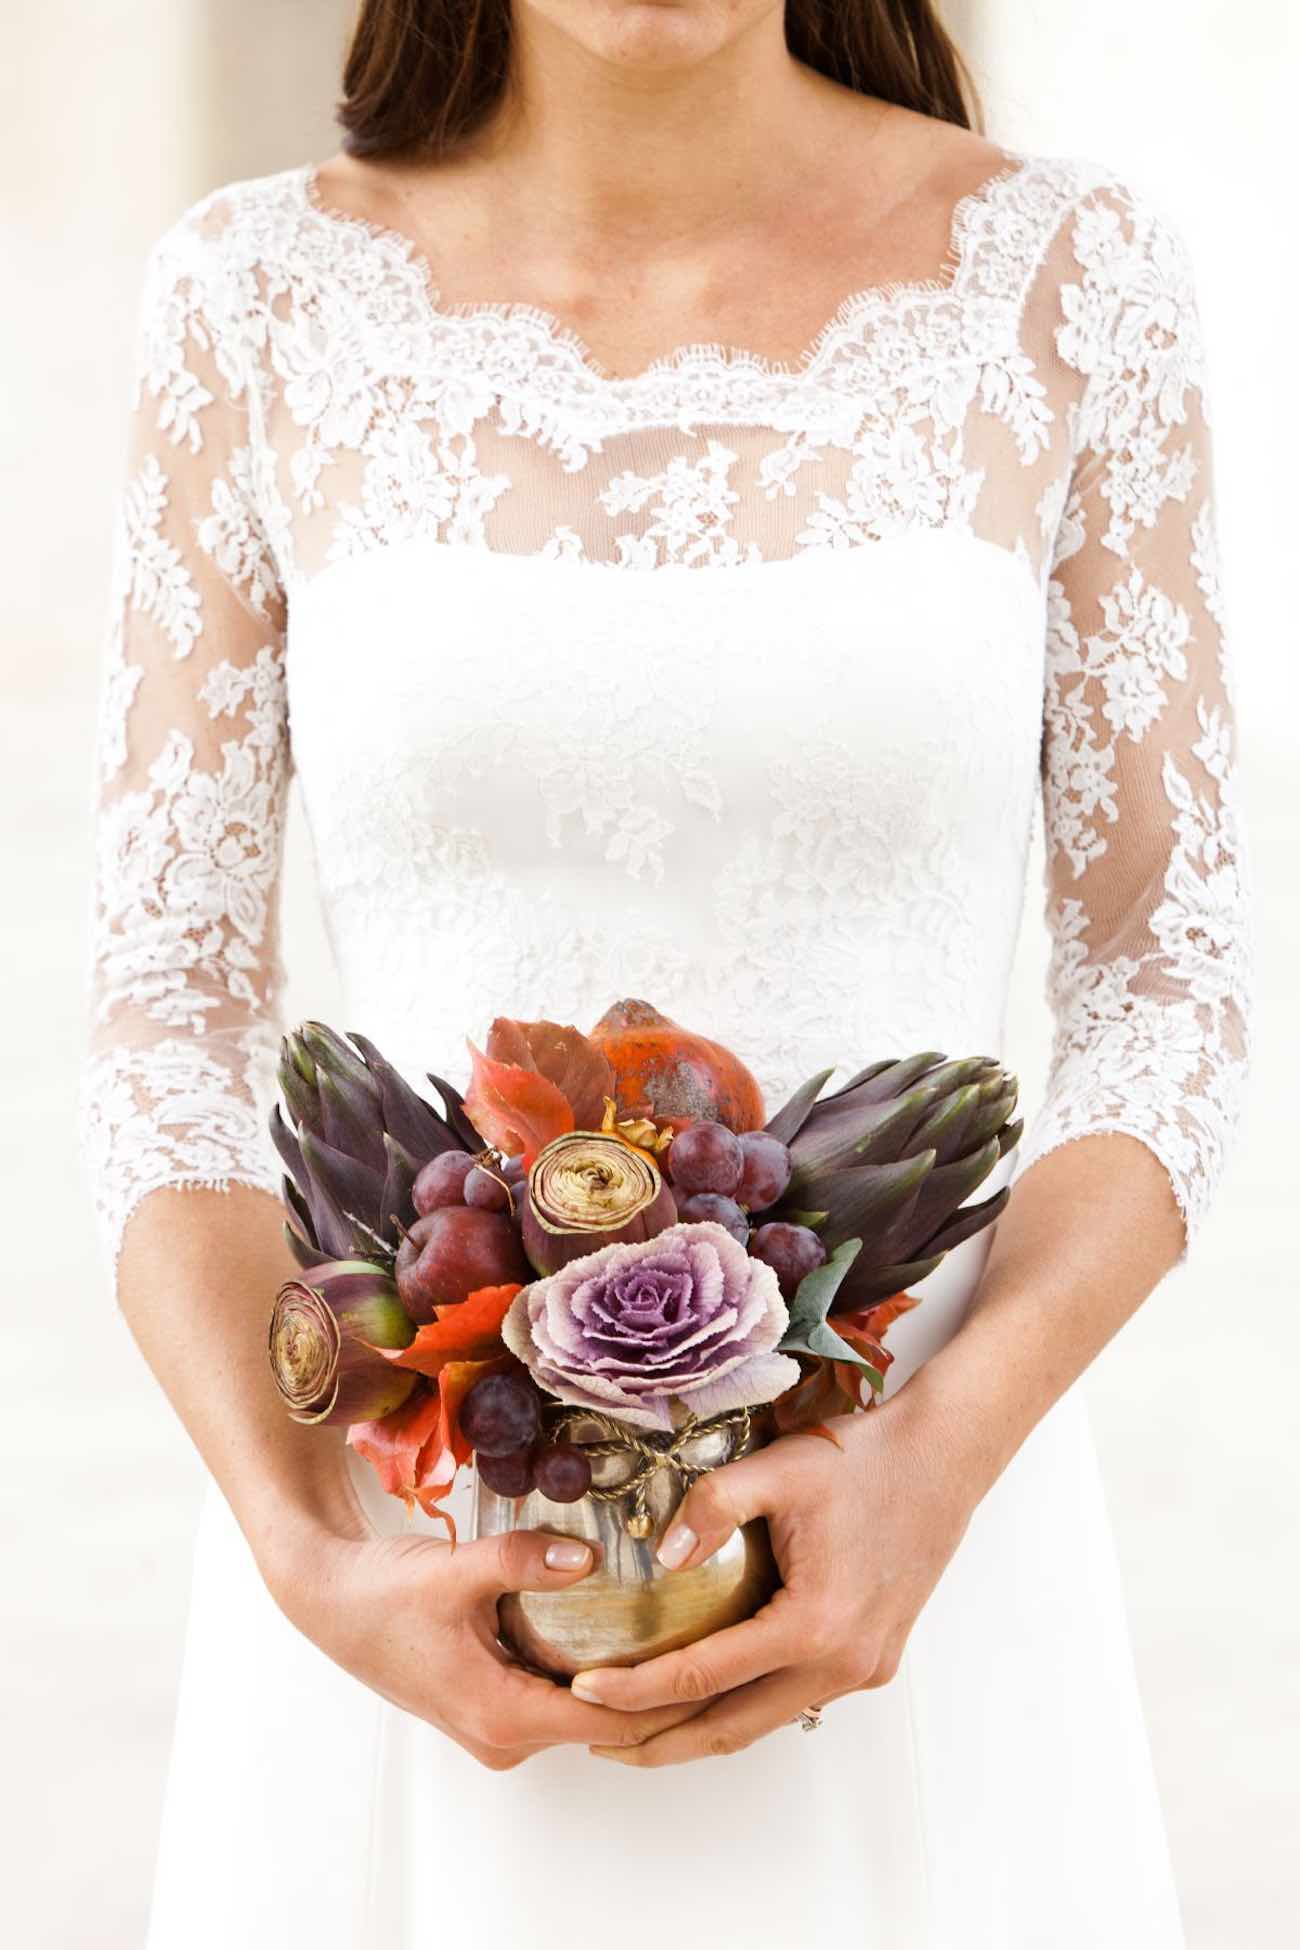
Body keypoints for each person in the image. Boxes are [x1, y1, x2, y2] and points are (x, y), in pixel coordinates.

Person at [77, 2, 1251, 1945]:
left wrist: (932, 1465)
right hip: (409, 1604)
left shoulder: (1070, 275)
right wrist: (305, 1554)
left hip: (924, 1573)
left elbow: (1169, 981)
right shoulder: (252, 294)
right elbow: (163, 1012)